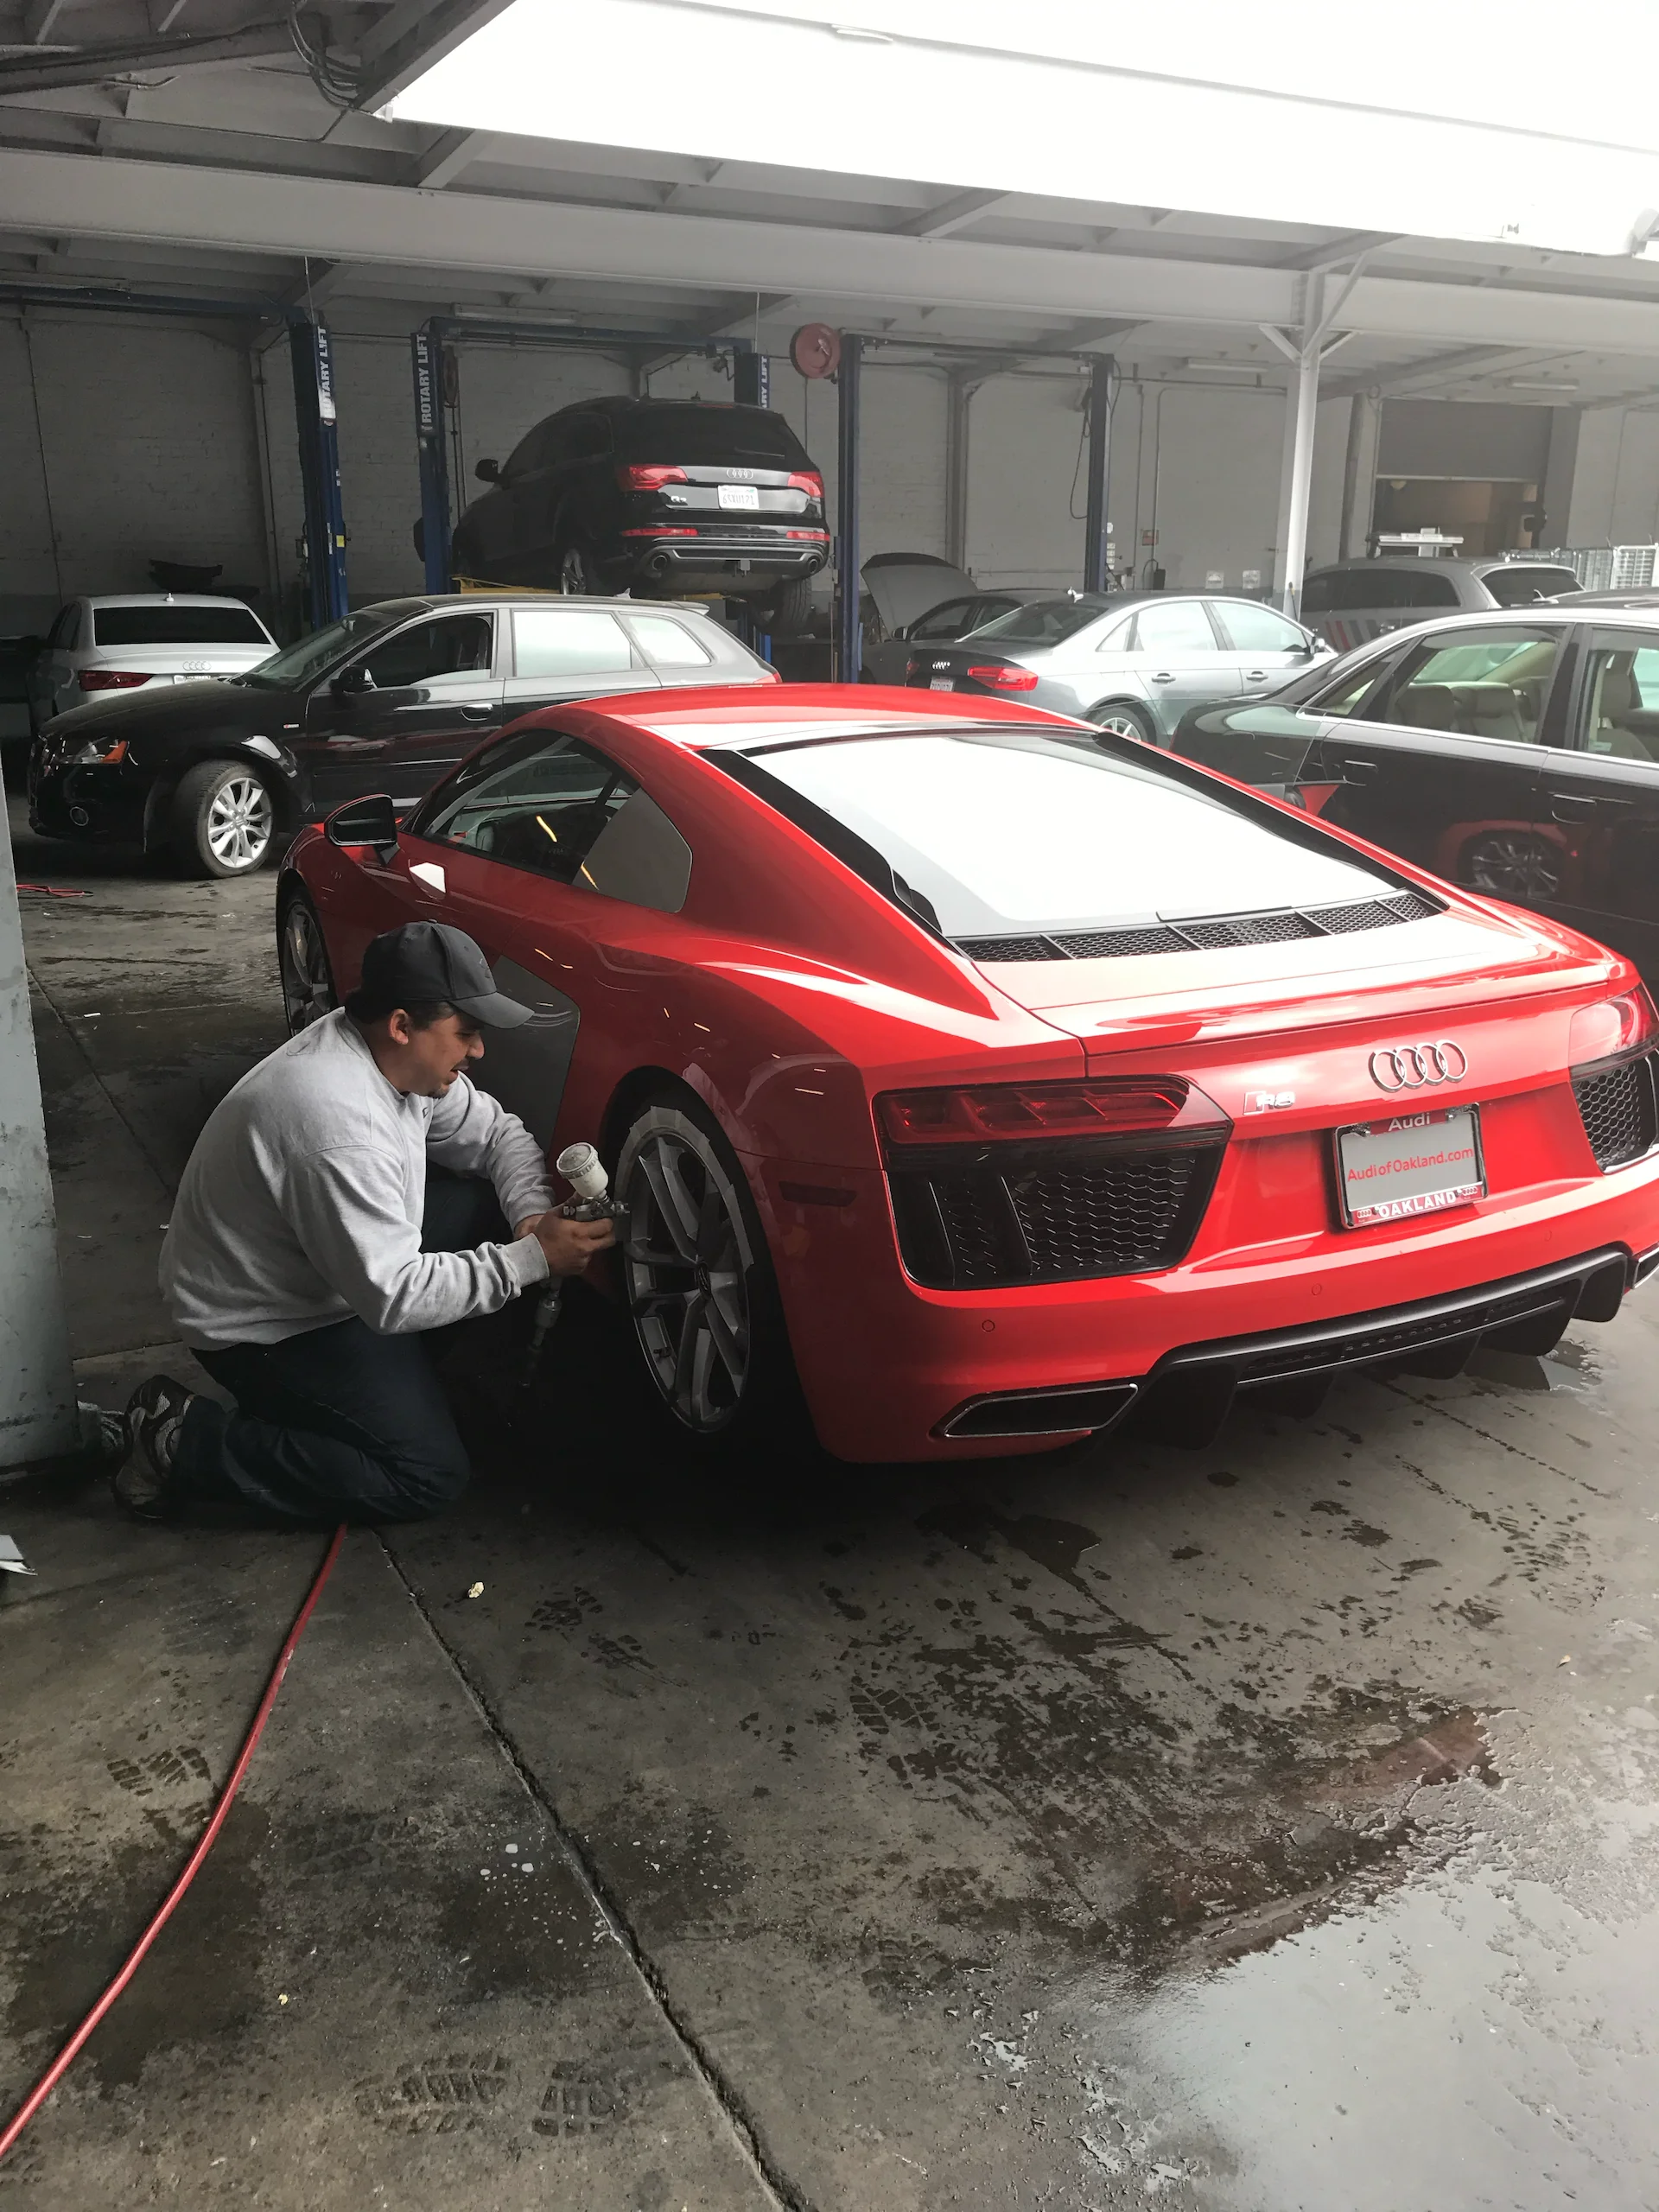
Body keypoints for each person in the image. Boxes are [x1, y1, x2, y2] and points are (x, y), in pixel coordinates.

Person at [114, 921, 613, 1526]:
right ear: (402, 1025)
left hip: (324, 1271)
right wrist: (535, 1260)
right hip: (266, 1326)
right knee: (427, 1476)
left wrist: (531, 1219)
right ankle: (182, 1441)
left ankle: (380, 1394)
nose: (478, 1051)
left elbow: (497, 1136)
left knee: (491, 1208)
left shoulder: (391, 1056)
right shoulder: (336, 1126)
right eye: (466, 1033)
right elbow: (392, 1299)